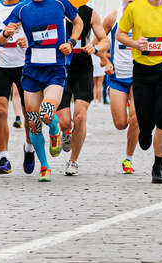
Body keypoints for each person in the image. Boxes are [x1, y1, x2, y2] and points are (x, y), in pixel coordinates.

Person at [1, 0, 82, 182]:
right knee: (34, 122)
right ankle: (44, 166)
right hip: (31, 70)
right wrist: (6, 33)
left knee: (46, 113)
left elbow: (79, 23)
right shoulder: (21, 8)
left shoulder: (60, 4)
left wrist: (71, 42)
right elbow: (1, 39)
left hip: (55, 69)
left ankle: (54, 129)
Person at [116, 0, 162, 183]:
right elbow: (120, 34)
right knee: (144, 120)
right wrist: (134, 43)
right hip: (141, 71)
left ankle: (157, 168)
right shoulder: (135, 7)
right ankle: (145, 131)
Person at [56, 4, 109, 176]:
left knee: (80, 116)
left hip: (83, 69)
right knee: (64, 122)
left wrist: (96, 48)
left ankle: (73, 161)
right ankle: (67, 131)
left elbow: (104, 40)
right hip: (60, 68)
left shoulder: (90, 13)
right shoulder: (55, 7)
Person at [0, 0, 31, 175]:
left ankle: (29, 147)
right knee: (0, 111)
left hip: (25, 65)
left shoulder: (27, 6)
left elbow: (38, 30)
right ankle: (4, 158)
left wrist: (27, 40)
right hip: (0, 66)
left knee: (29, 111)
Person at [102, 0, 138, 175]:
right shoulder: (112, 18)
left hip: (140, 76)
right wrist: (106, 62)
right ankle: (128, 107)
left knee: (135, 119)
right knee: (120, 124)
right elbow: (97, 42)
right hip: (118, 76)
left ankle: (128, 159)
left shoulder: (146, 17)